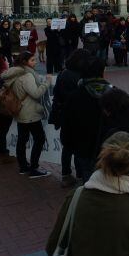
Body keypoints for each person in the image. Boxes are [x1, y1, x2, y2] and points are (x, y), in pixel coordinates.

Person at [1, 51, 53, 178]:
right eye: (32, 60)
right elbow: (35, 93)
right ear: (25, 62)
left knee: (22, 140)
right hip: (30, 112)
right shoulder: (27, 75)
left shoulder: (13, 73)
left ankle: (23, 166)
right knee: (39, 138)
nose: (35, 62)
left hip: (20, 110)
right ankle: (34, 168)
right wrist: (47, 82)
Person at [61, 56, 112, 182]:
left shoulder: (75, 96)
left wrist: (68, 142)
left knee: (88, 179)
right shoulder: (113, 94)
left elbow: (67, 123)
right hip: (106, 146)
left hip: (82, 146)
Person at [50, 49, 92, 187]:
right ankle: (80, 175)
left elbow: (57, 93)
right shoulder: (78, 77)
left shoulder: (63, 73)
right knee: (79, 146)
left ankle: (66, 174)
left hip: (64, 114)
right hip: (75, 115)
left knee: (67, 147)